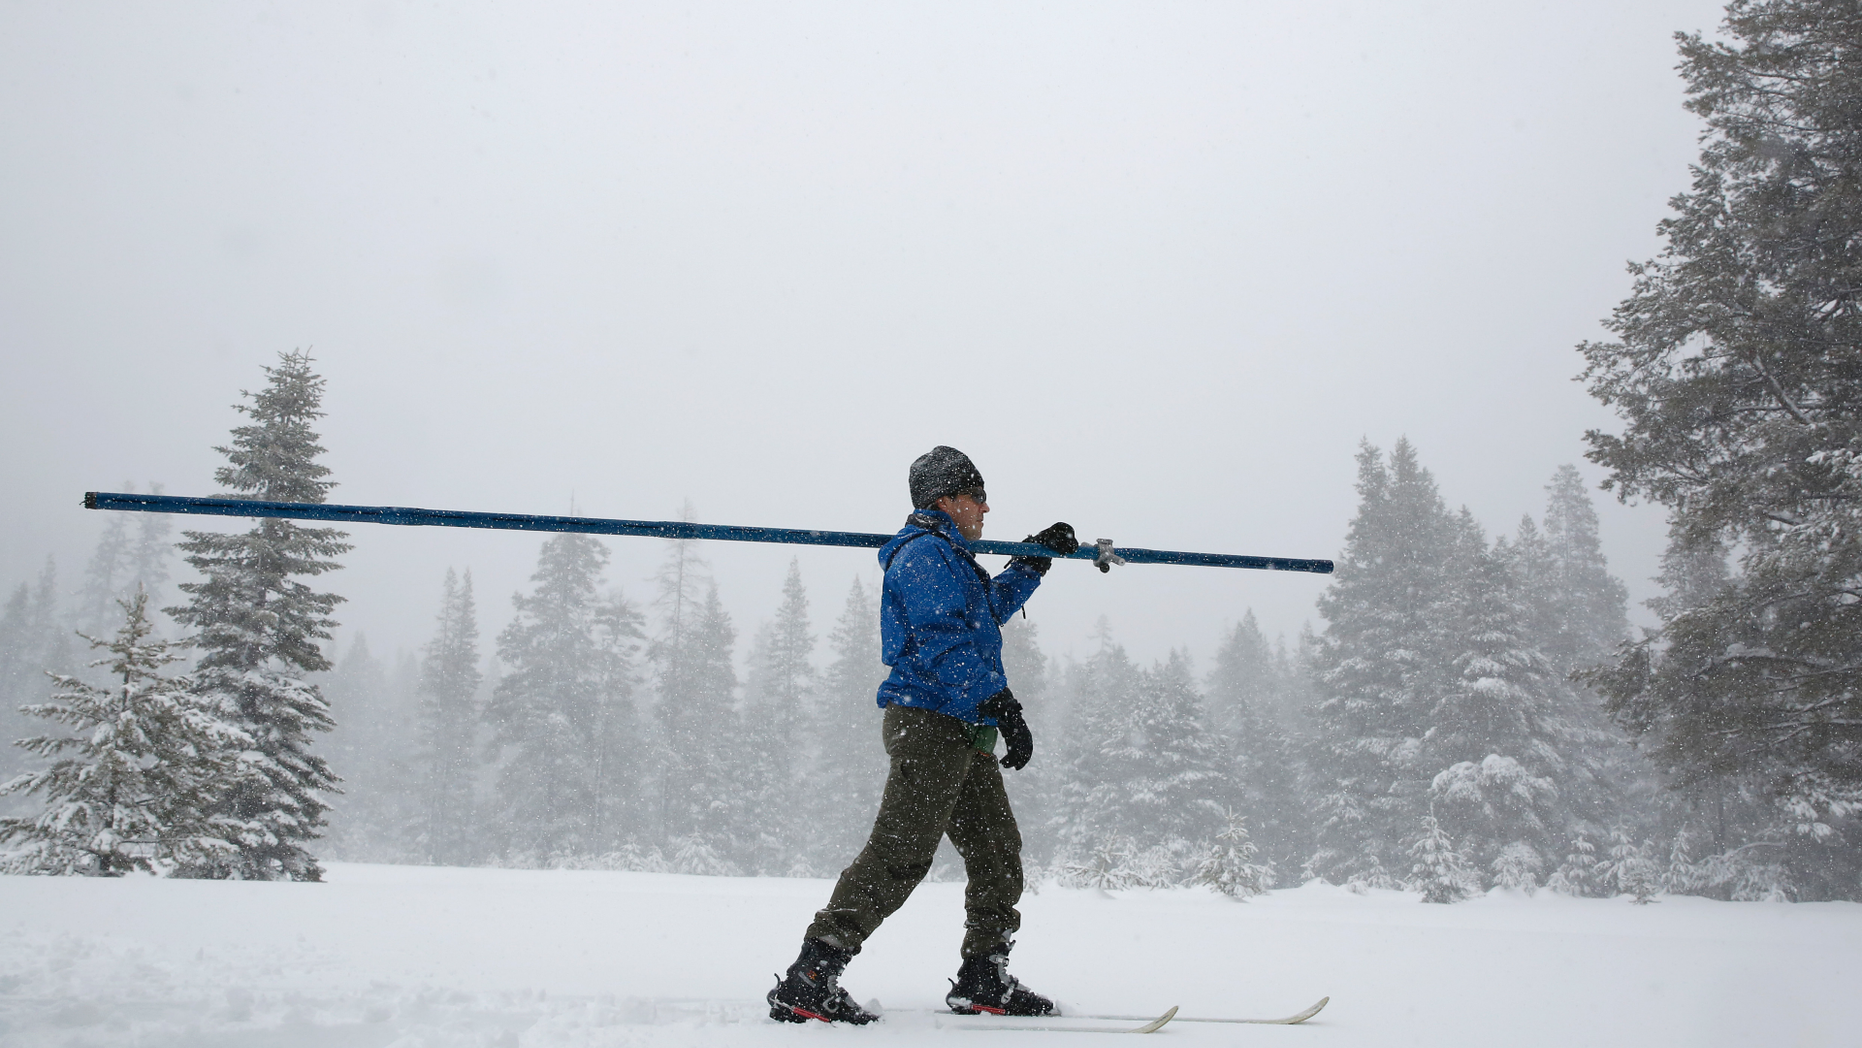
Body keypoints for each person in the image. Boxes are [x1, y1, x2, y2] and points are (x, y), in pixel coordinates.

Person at [766, 446, 1079, 1025]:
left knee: (996, 852)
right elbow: (943, 639)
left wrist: (1034, 561)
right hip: (932, 723)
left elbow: (985, 612)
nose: (986, 508)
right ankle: (812, 975)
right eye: (975, 497)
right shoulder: (924, 556)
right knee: (901, 853)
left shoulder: (953, 560)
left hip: (961, 726)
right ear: (946, 500)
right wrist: (998, 702)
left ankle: (985, 974)